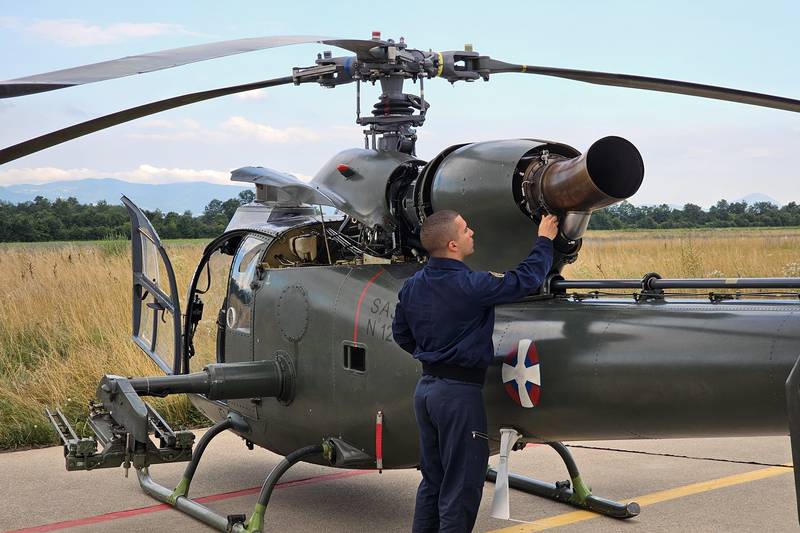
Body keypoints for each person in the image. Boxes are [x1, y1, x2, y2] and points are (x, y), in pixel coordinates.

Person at [392, 210, 558, 532]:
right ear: (452, 245)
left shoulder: (412, 286)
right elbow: (524, 280)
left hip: (426, 392)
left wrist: (434, 357)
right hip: (458, 397)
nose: (472, 233)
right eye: (466, 230)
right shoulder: (471, 285)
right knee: (461, 487)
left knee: (433, 481)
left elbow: (401, 334)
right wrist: (544, 241)